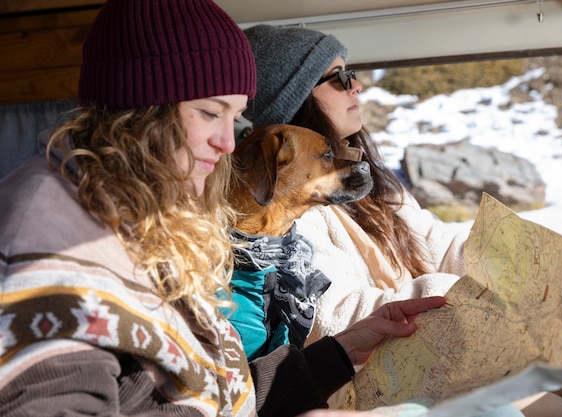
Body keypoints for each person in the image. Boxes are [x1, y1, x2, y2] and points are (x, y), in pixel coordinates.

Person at [0, 2, 450, 417]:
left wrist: (342, 352)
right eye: (208, 113)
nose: (229, 143)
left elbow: (210, 397)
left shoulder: (150, 218)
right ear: (142, 110)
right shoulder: (49, 237)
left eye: (233, 117)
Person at [241, 24, 562, 417]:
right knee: (558, 404)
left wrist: (538, 255)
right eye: (340, 78)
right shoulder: (289, 213)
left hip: (438, 351)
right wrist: (464, 294)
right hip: (367, 380)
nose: (357, 86)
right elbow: (336, 315)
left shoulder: (374, 183)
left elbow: (442, 246)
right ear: (297, 99)